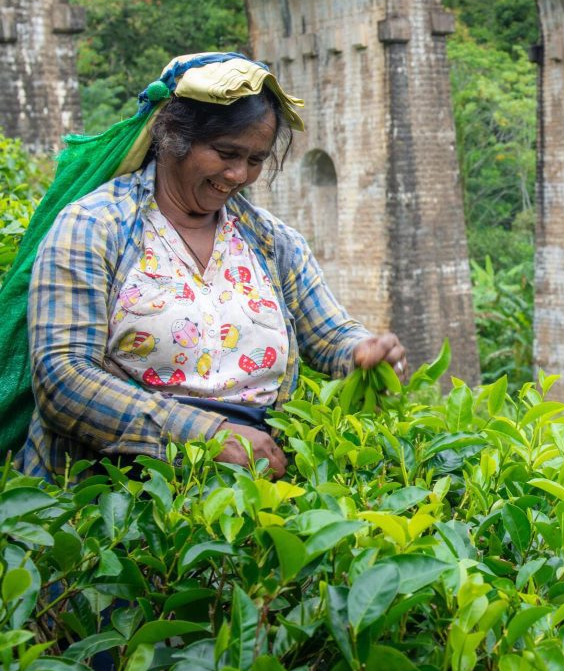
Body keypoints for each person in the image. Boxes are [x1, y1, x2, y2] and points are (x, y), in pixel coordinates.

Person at [13, 52, 406, 482]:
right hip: (108, 489)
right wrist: (207, 436)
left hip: (249, 492)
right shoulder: (93, 227)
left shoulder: (272, 242)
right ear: (173, 137)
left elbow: (331, 335)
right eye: (225, 152)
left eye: (256, 160)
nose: (238, 174)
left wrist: (363, 352)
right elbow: (63, 378)